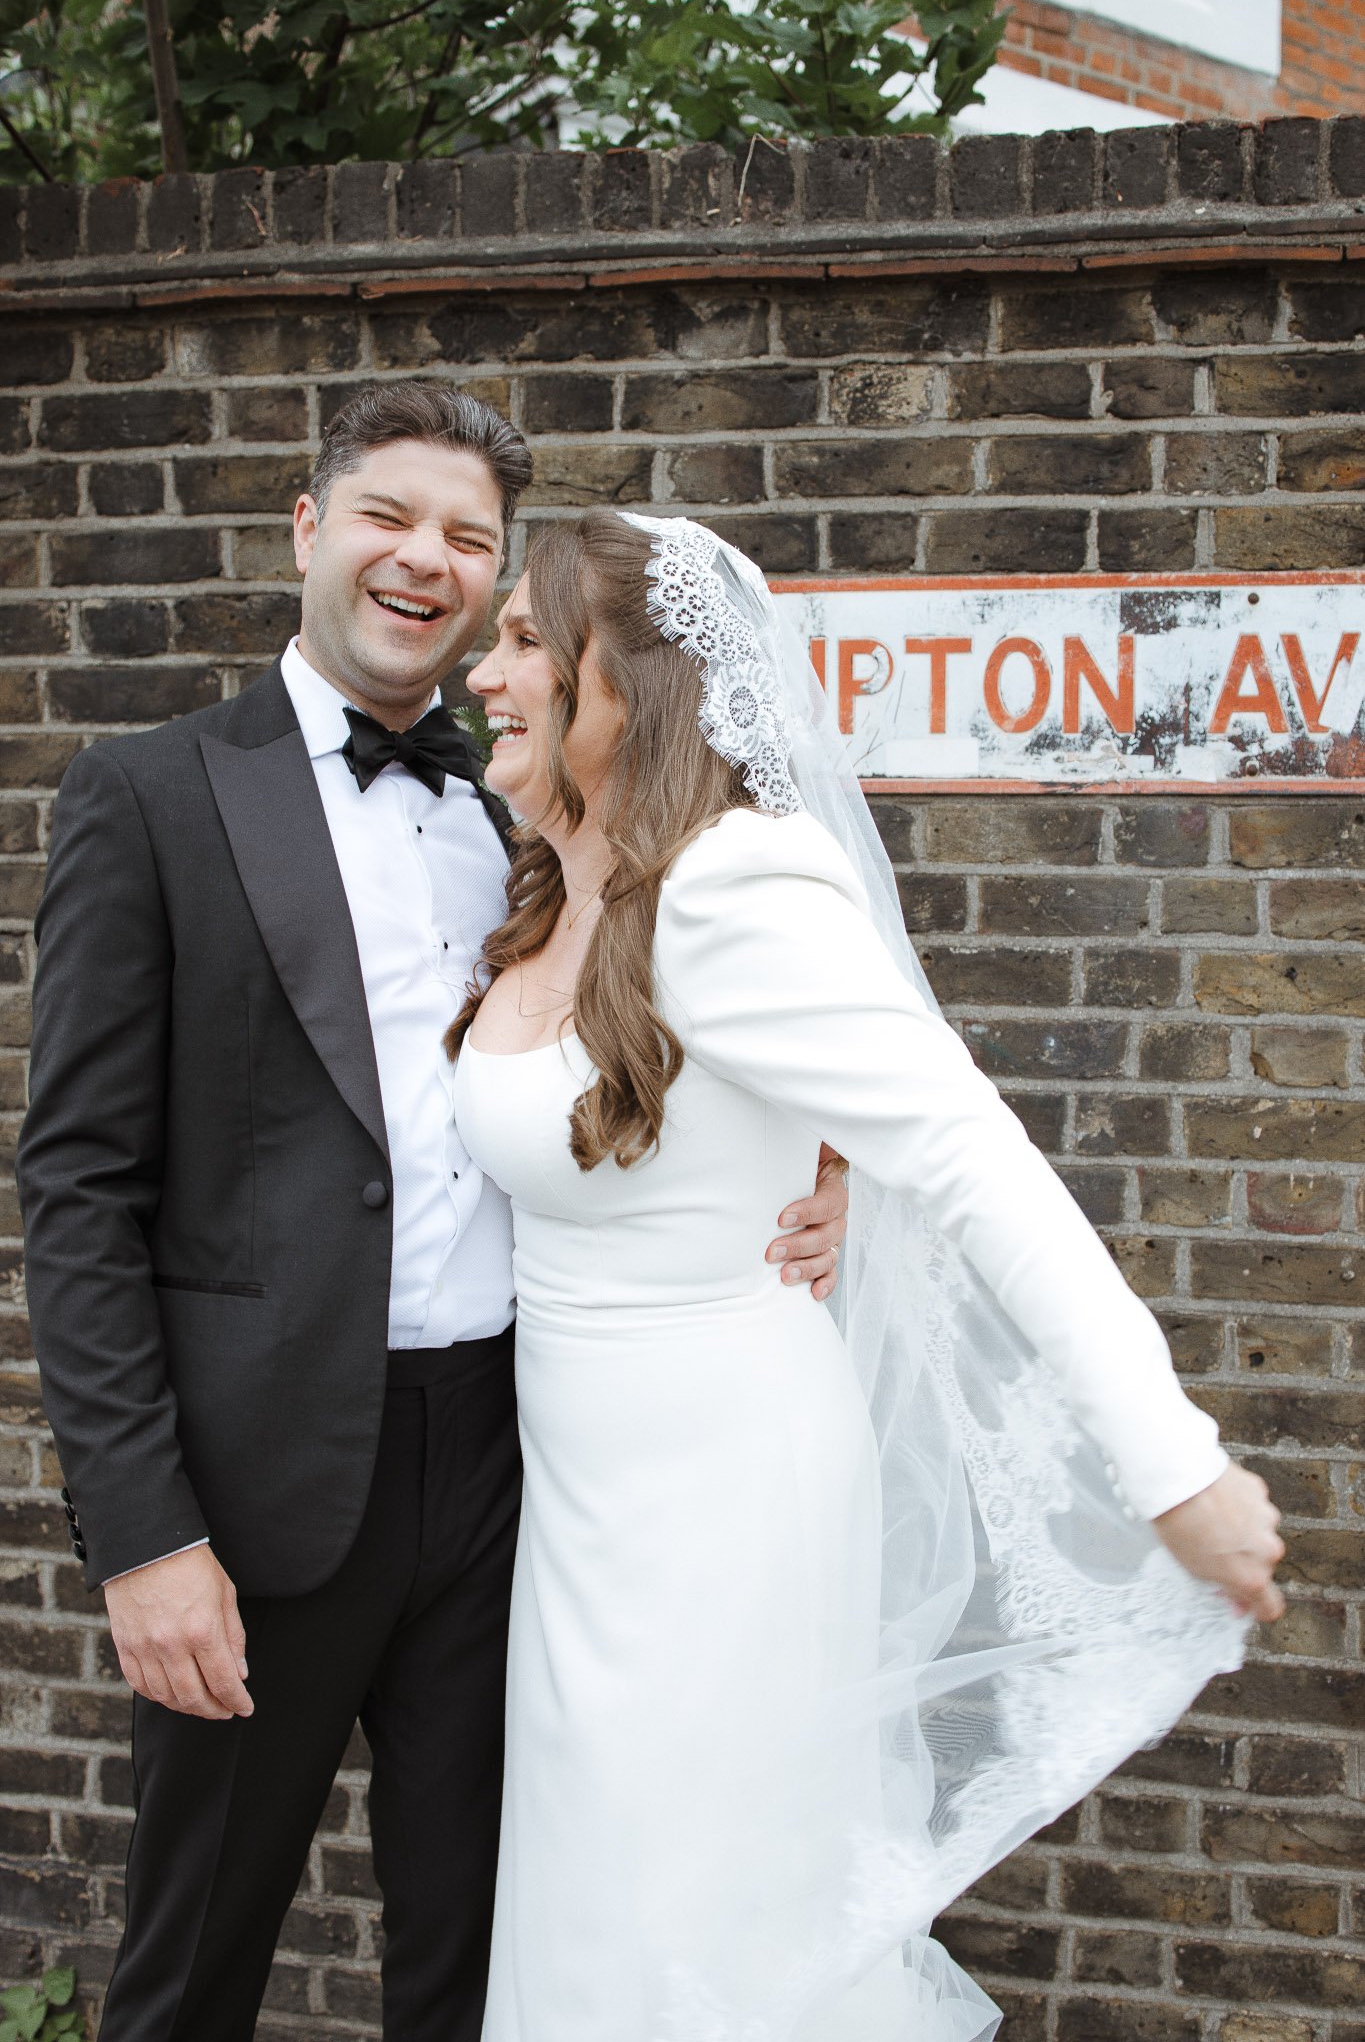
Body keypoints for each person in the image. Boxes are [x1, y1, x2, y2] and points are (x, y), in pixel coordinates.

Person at [15, 387, 847, 2042]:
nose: (427, 559)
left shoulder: (526, 813)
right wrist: (145, 1534)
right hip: (256, 1493)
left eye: (469, 538)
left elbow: (688, 1040)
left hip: (514, 1463)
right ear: (307, 531)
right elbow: (78, 1190)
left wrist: (823, 1179)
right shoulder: (151, 797)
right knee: (192, 1963)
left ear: (492, 593)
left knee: (478, 1952)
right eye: (390, 516)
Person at [451, 508, 1286, 2042]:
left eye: (521, 639)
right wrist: (808, 1169)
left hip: (724, 1506)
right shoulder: (557, 888)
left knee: (704, 1933)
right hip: (578, 1510)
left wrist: (1172, 1466)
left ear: (623, 687)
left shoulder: (731, 886)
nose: (482, 667)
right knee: (598, 1918)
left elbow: (970, 1160)